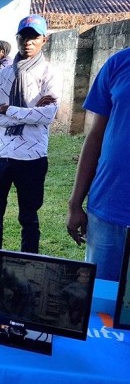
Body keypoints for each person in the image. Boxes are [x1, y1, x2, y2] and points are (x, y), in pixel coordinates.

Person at [0, 14, 62, 254]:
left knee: (29, 218)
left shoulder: (50, 74)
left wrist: (8, 109)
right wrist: (31, 111)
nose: (28, 41)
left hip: (32, 158)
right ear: (17, 39)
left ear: (43, 40)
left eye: (34, 37)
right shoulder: (2, 75)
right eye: (23, 36)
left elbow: (48, 116)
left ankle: (29, 265)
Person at [66, 47, 130, 281]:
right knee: (99, 301)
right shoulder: (118, 64)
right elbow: (95, 137)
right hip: (107, 209)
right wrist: (74, 204)